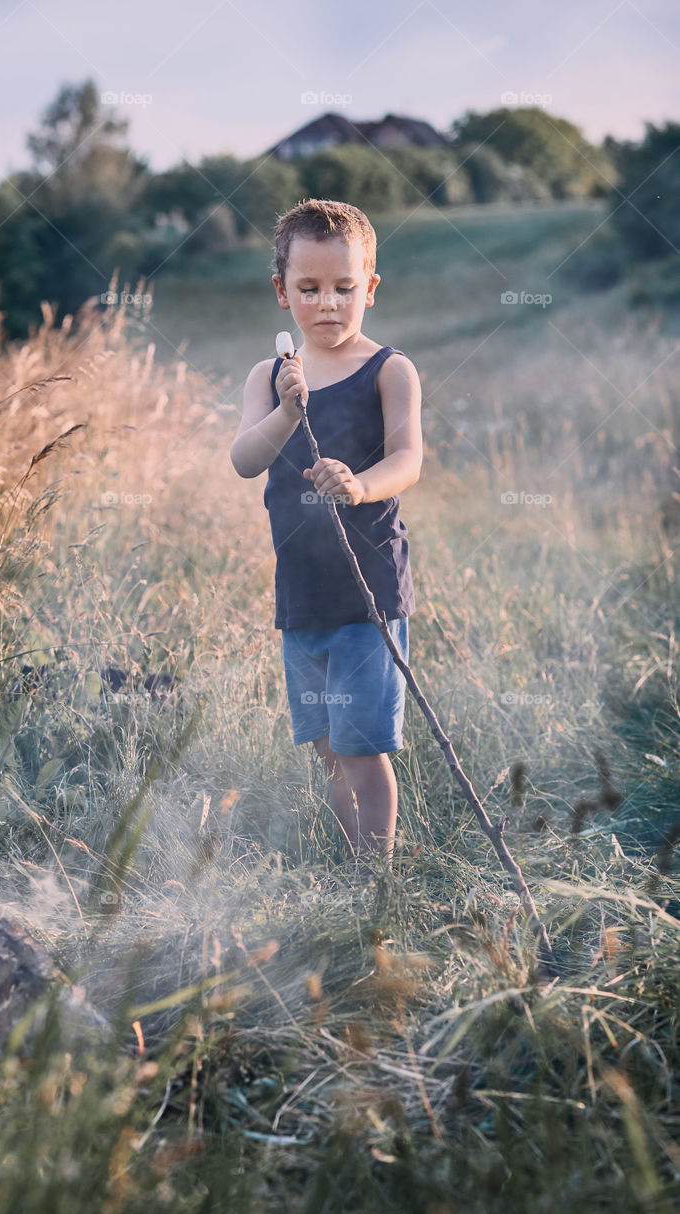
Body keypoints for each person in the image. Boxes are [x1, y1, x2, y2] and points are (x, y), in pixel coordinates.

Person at [229, 198, 423, 871]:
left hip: (366, 595)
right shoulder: (270, 377)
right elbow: (244, 460)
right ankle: (352, 864)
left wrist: (361, 485)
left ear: (369, 287)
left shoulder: (388, 370)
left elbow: (407, 460)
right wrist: (286, 410)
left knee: (364, 748)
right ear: (282, 293)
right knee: (329, 750)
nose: (328, 304)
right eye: (308, 289)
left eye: (344, 288)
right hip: (302, 594)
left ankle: (379, 876)